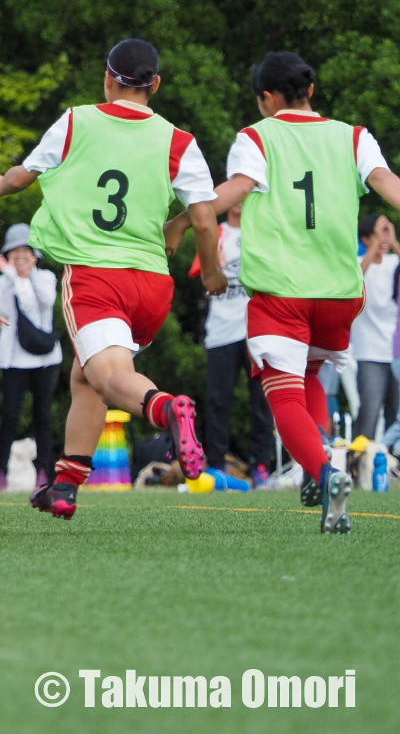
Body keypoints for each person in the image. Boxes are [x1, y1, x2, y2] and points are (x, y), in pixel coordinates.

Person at [0, 39, 224, 521]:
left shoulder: (77, 121)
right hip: (152, 284)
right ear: (155, 84)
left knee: (110, 378)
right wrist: (210, 270)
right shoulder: (179, 141)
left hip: (96, 277)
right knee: (85, 376)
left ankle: (166, 409)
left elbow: (23, 176)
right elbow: (204, 219)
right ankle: (66, 483)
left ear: (107, 79)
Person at [165, 51, 400, 534]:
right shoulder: (354, 136)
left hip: (282, 290)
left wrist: (184, 219)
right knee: (309, 372)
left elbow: (234, 191)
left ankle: (326, 474)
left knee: (282, 395)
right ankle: (319, 472)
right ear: (310, 90)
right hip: (338, 293)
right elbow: (388, 185)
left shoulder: (257, 136)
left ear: (268, 99)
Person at [193, 205, 273, 486]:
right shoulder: (215, 233)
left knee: (262, 400)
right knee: (218, 401)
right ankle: (215, 465)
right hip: (221, 331)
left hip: (257, 329)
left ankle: (261, 465)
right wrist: (212, 262)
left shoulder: (261, 231)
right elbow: (200, 274)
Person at [0, 223, 62, 490]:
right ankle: (1, 472)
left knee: (43, 415)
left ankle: (44, 470)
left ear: (34, 254)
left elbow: (39, 304)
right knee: (10, 415)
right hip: (13, 358)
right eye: (14, 251)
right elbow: (7, 310)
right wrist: (13, 277)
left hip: (45, 357)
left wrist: (22, 277)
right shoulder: (0, 282)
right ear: (6, 255)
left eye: (25, 250)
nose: (20, 256)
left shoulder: (46, 278)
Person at [351, 214, 399, 441]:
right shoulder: (358, 262)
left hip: (395, 351)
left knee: (396, 414)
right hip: (369, 351)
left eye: (386, 232)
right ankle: (358, 466)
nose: (383, 239)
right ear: (365, 239)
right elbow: (355, 281)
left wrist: (394, 242)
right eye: (377, 234)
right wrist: (372, 249)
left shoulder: (394, 262)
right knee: (369, 412)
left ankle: (390, 468)